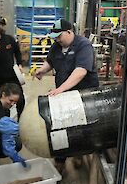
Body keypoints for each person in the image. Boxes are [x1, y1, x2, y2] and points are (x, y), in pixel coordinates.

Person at [34, 18, 99, 172]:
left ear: (69, 32)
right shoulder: (56, 46)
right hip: (64, 94)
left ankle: (78, 154)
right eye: (54, 37)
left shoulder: (83, 45)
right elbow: (50, 61)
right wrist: (42, 70)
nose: (57, 40)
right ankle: (60, 160)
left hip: (83, 95)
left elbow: (81, 71)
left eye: (59, 36)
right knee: (61, 127)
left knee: (82, 128)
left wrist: (60, 89)